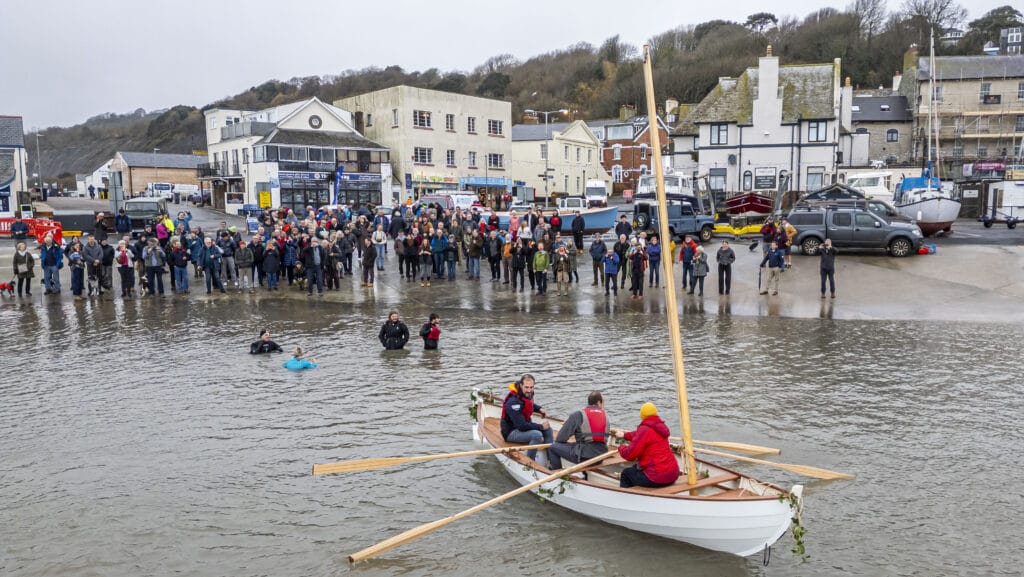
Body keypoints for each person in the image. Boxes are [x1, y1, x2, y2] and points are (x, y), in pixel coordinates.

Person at [614, 402, 680, 488]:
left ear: (642, 415)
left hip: (657, 477)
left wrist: (621, 447)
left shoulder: (644, 429)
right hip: (673, 474)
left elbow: (630, 455)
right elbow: (638, 434)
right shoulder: (659, 427)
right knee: (635, 467)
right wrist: (624, 435)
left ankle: (627, 499)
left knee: (626, 474)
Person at [548, 391, 609, 470]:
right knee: (576, 445)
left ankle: (556, 472)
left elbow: (560, 438)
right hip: (601, 457)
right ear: (598, 403)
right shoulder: (605, 415)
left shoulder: (578, 414)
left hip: (584, 458)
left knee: (552, 447)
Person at [499, 375, 553, 463]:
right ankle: (530, 463)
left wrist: (539, 409)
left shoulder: (525, 394)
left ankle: (552, 461)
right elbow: (521, 426)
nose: (529, 390)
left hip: (523, 427)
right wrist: (541, 426)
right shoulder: (513, 402)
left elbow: (527, 404)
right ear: (521, 385)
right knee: (537, 434)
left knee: (549, 430)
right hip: (511, 432)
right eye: (526, 387)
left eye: (531, 387)